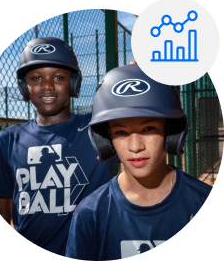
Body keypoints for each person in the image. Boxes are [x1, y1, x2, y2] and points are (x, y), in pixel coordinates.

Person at [0, 37, 118, 256]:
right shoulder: (8, 140)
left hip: (92, 251)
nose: (47, 85)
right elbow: (2, 208)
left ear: (74, 83)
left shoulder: (96, 129)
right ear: (24, 86)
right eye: (36, 78)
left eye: (58, 77)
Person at [65, 64, 213, 260]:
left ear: (170, 132)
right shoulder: (90, 214)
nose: (135, 147)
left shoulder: (201, 200)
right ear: (106, 140)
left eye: (148, 128)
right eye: (121, 132)